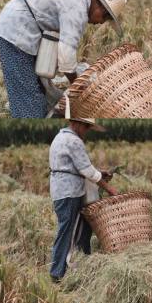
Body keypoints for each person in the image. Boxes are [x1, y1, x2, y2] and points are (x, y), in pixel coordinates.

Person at [0, 0, 133, 118]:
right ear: (100, 7)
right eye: (104, 18)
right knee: (27, 97)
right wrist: (78, 85)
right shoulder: (77, 10)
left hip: (19, 27)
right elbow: (66, 56)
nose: (101, 23)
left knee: (37, 89)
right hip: (15, 31)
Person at [48, 118, 118, 282]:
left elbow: (76, 167)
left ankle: (80, 265)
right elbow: (87, 171)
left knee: (80, 228)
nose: (86, 131)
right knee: (69, 232)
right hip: (70, 191)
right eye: (86, 127)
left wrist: (100, 173)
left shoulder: (60, 137)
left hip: (61, 190)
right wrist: (109, 189)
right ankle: (58, 273)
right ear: (76, 123)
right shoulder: (73, 140)